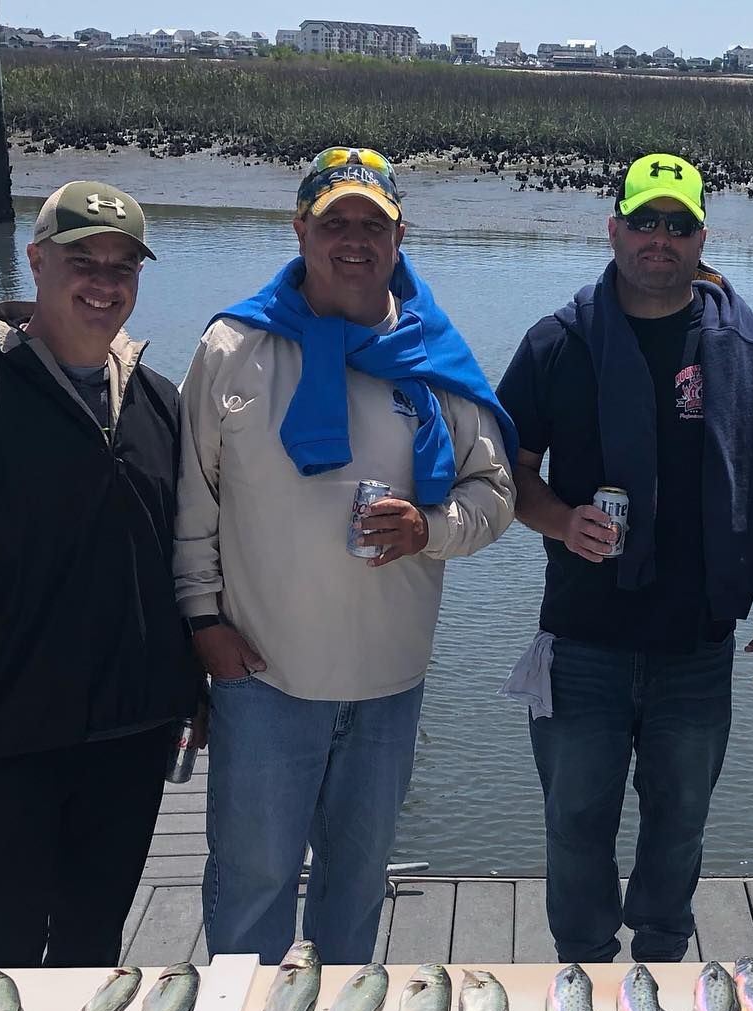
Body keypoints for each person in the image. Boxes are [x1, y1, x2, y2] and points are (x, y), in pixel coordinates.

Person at [174, 146, 516, 965]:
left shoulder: (432, 358)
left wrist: (430, 528)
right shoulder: (233, 347)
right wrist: (202, 623)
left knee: (356, 886)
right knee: (253, 881)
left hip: (388, 682)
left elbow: (495, 492)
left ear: (400, 237)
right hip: (264, 676)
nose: (354, 241)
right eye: (335, 223)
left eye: (373, 224)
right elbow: (191, 502)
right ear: (300, 230)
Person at [497, 152, 753, 964]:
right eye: (644, 221)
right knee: (574, 824)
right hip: (582, 643)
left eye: (678, 224)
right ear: (613, 229)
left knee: (680, 827)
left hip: (697, 647)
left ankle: (662, 965)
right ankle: (583, 968)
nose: (659, 239)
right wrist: (562, 522)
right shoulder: (557, 343)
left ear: (702, 238)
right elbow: (506, 475)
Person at [0, 181, 197, 967]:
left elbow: (183, 559)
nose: (104, 283)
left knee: (92, 950)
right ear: (35, 262)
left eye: (122, 267)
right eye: (82, 262)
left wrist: (191, 689)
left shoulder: (161, 405)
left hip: (131, 737)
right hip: (2, 740)